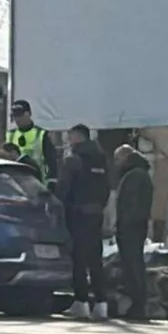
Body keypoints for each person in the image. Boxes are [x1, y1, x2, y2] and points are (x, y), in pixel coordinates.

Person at [54, 124, 111, 320]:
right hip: (96, 215)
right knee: (95, 259)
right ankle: (102, 304)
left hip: (77, 215)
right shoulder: (101, 160)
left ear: (77, 137)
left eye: (70, 137)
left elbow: (63, 188)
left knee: (79, 258)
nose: (69, 141)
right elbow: (106, 189)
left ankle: (81, 302)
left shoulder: (74, 159)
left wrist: (59, 206)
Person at [113, 144, 154, 320]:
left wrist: (124, 224)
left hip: (131, 228)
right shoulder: (137, 173)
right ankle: (136, 304)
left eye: (117, 159)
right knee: (133, 264)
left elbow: (132, 205)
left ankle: (138, 305)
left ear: (126, 157)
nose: (116, 163)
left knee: (133, 265)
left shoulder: (135, 175)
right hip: (134, 226)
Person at [5, 100, 59, 183]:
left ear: (28, 114)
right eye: (15, 116)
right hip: (16, 183)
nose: (17, 119)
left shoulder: (41, 134)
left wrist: (52, 182)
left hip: (37, 182)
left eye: (20, 115)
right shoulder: (10, 135)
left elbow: (52, 162)